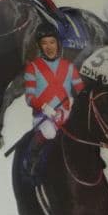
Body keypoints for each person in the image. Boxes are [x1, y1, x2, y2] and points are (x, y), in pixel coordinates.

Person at [21, 27, 84, 178]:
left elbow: (82, 91)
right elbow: (29, 98)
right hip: (43, 116)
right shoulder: (32, 67)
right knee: (49, 133)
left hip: (66, 114)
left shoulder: (69, 66)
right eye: (44, 43)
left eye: (52, 42)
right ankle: (32, 161)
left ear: (58, 44)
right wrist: (44, 107)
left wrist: (77, 99)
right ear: (40, 46)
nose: (49, 47)